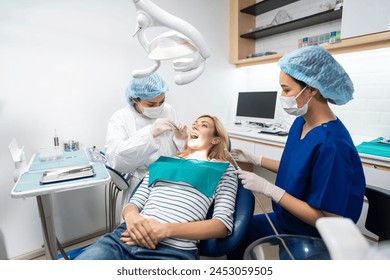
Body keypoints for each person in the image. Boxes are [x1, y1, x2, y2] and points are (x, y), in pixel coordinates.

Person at [229, 46, 366, 259]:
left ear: (313, 89)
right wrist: (256, 159)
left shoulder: (333, 146)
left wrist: (269, 189)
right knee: (235, 233)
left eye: (286, 90)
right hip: (288, 219)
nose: (282, 96)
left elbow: (328, 219)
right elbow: (295, 169)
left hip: (313, 236)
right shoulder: (300, 123)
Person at [75, 115, 238, 260]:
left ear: (216, 139)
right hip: (123, 239)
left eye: (203, 125)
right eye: (194, 123)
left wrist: (165, 230)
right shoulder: (163, 162)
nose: (195, 125)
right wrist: (132, 218)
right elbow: (134, 203)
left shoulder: (223, 169)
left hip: (172, 251)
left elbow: (222, 225)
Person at [105, 73, 188, 206]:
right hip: (141, 184)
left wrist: (181, 139)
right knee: (138, 224)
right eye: (151, 104)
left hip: (171, 180)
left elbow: (179, 152)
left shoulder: (168, 110)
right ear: (134, 99)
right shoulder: (121, 117)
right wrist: (149, 134)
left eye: (162, 101)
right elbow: (117, 159)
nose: (158, 107)